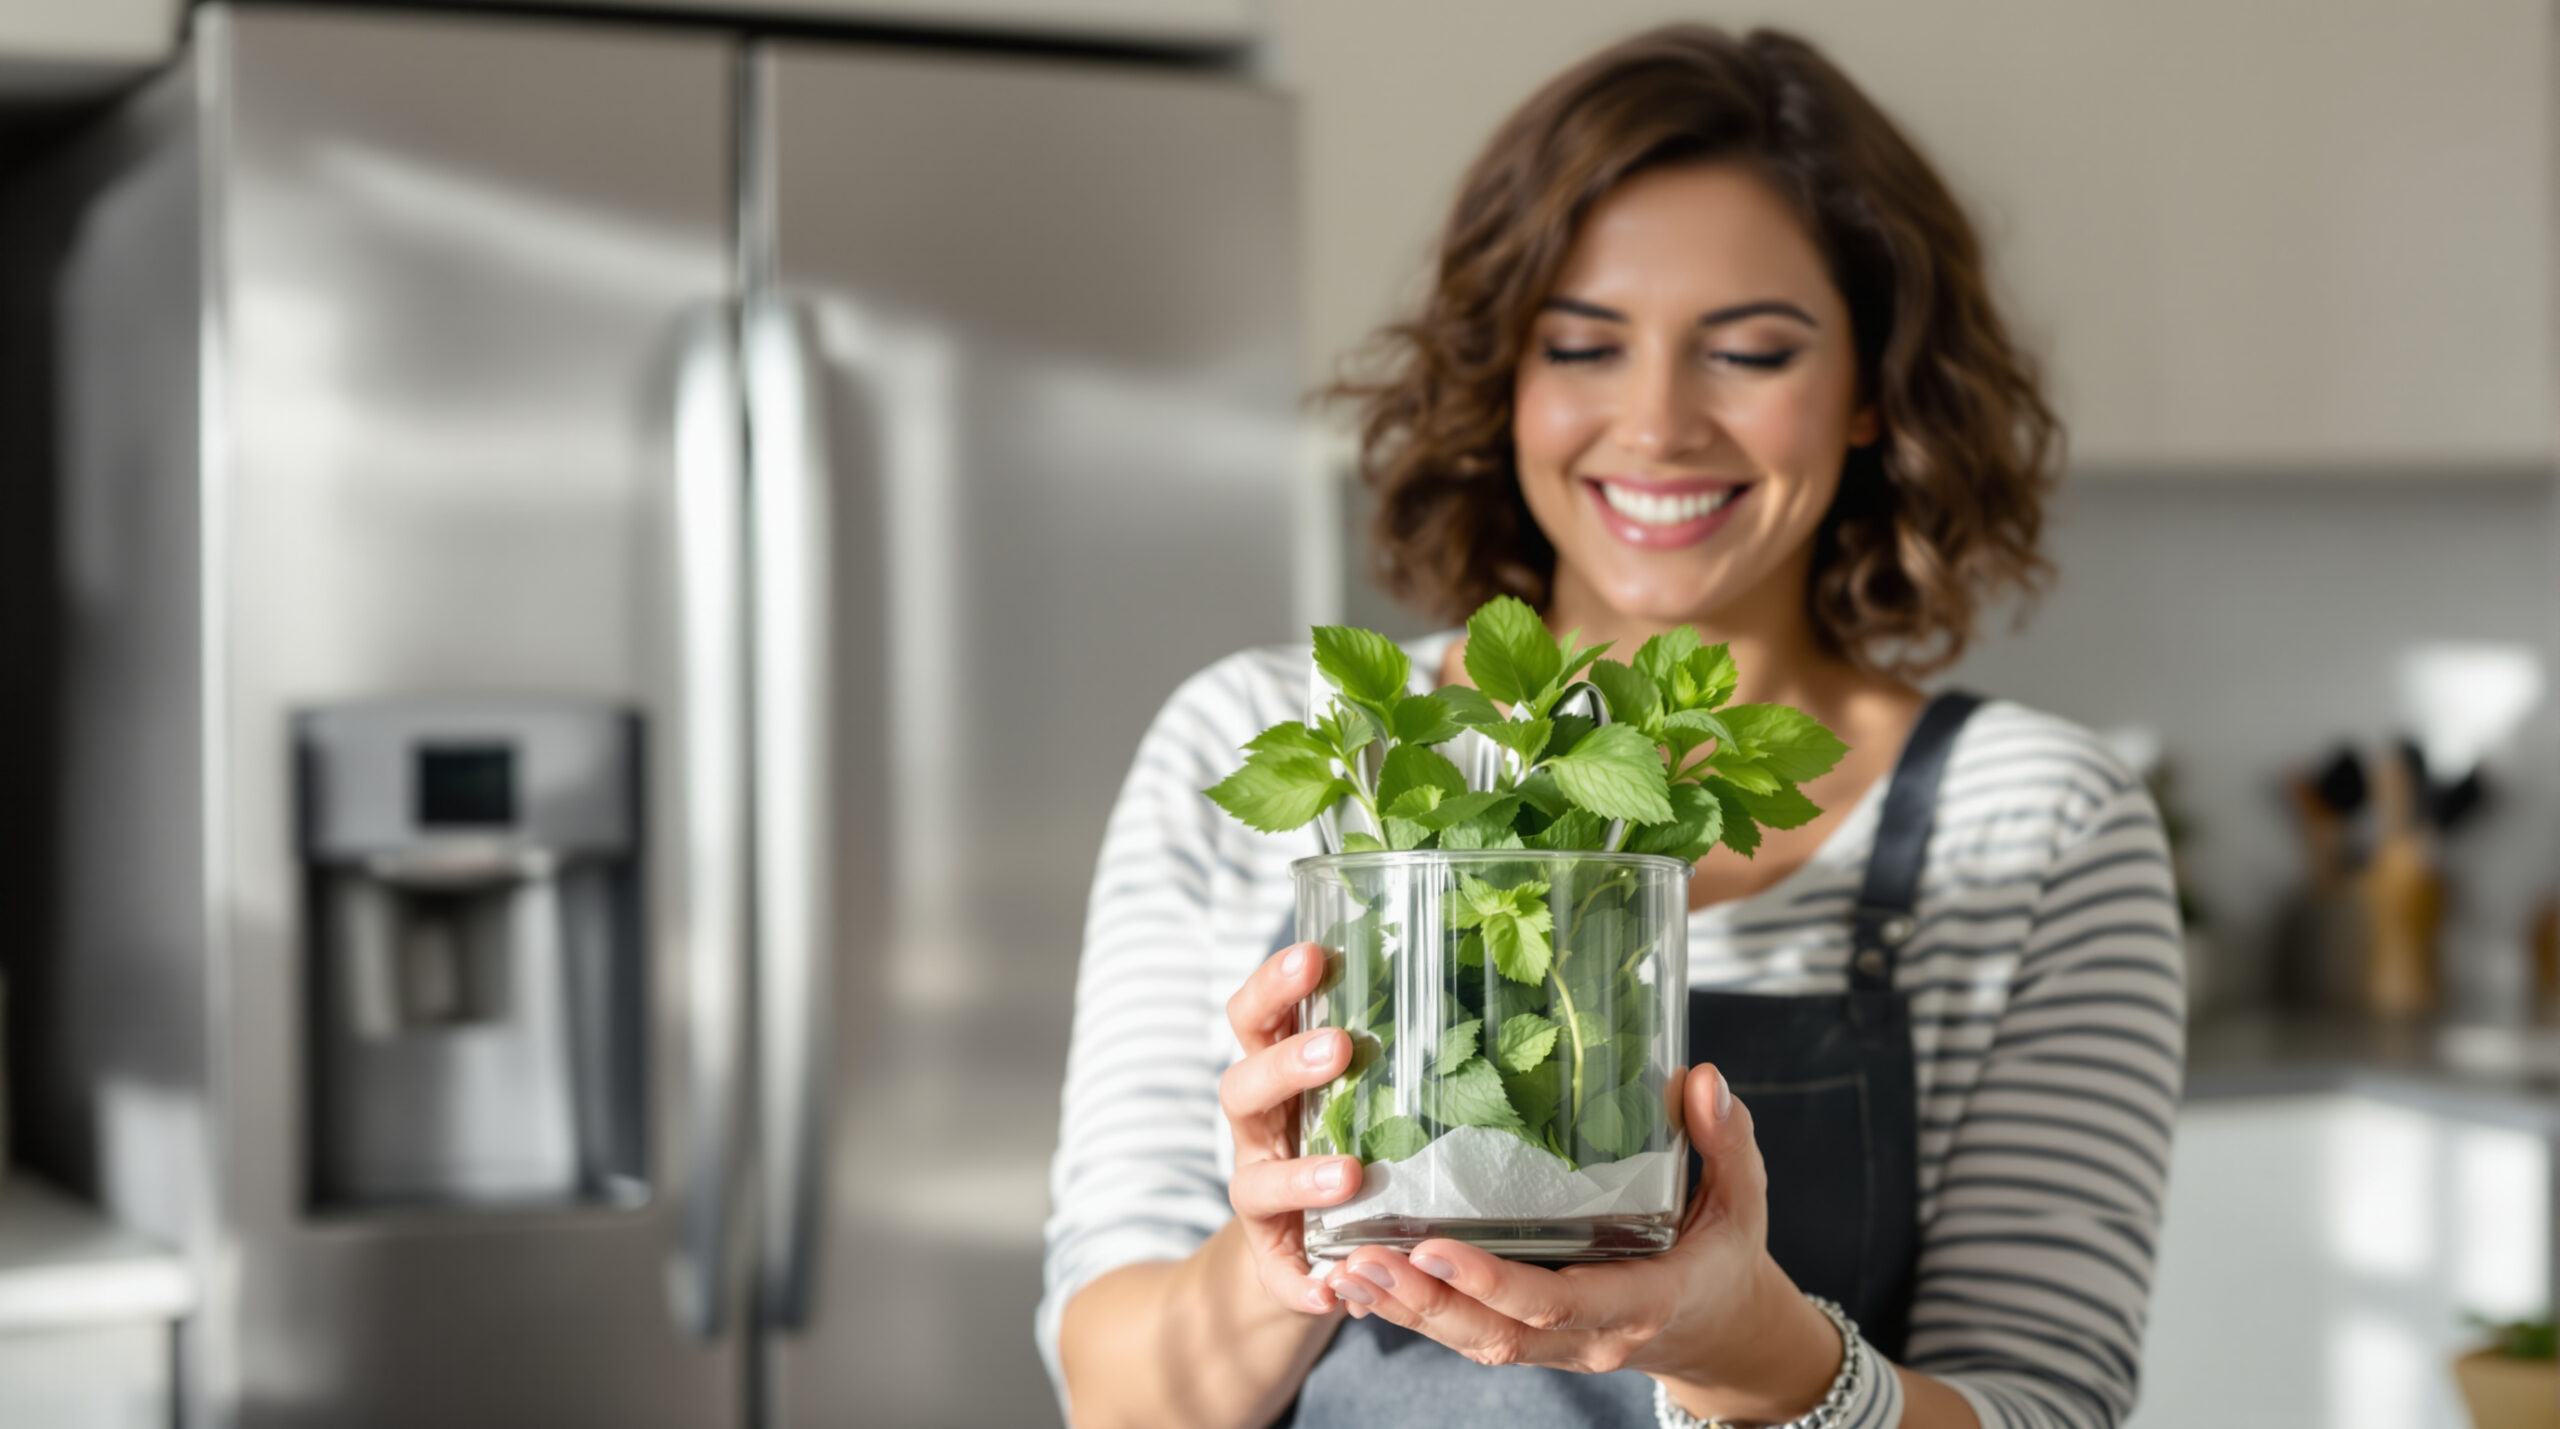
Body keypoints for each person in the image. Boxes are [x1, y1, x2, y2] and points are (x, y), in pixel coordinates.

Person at [1038, 24, 2183, 1429]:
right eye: (1581, 344)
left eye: (1751, 352)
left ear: (1877, 383)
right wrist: (1277, 1256)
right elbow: (1116, 1397)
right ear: (1503, 377)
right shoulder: (1277, 729)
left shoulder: (2043, 818)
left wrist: (1754, 1348)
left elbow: (2053, 1406)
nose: (1655, 425)